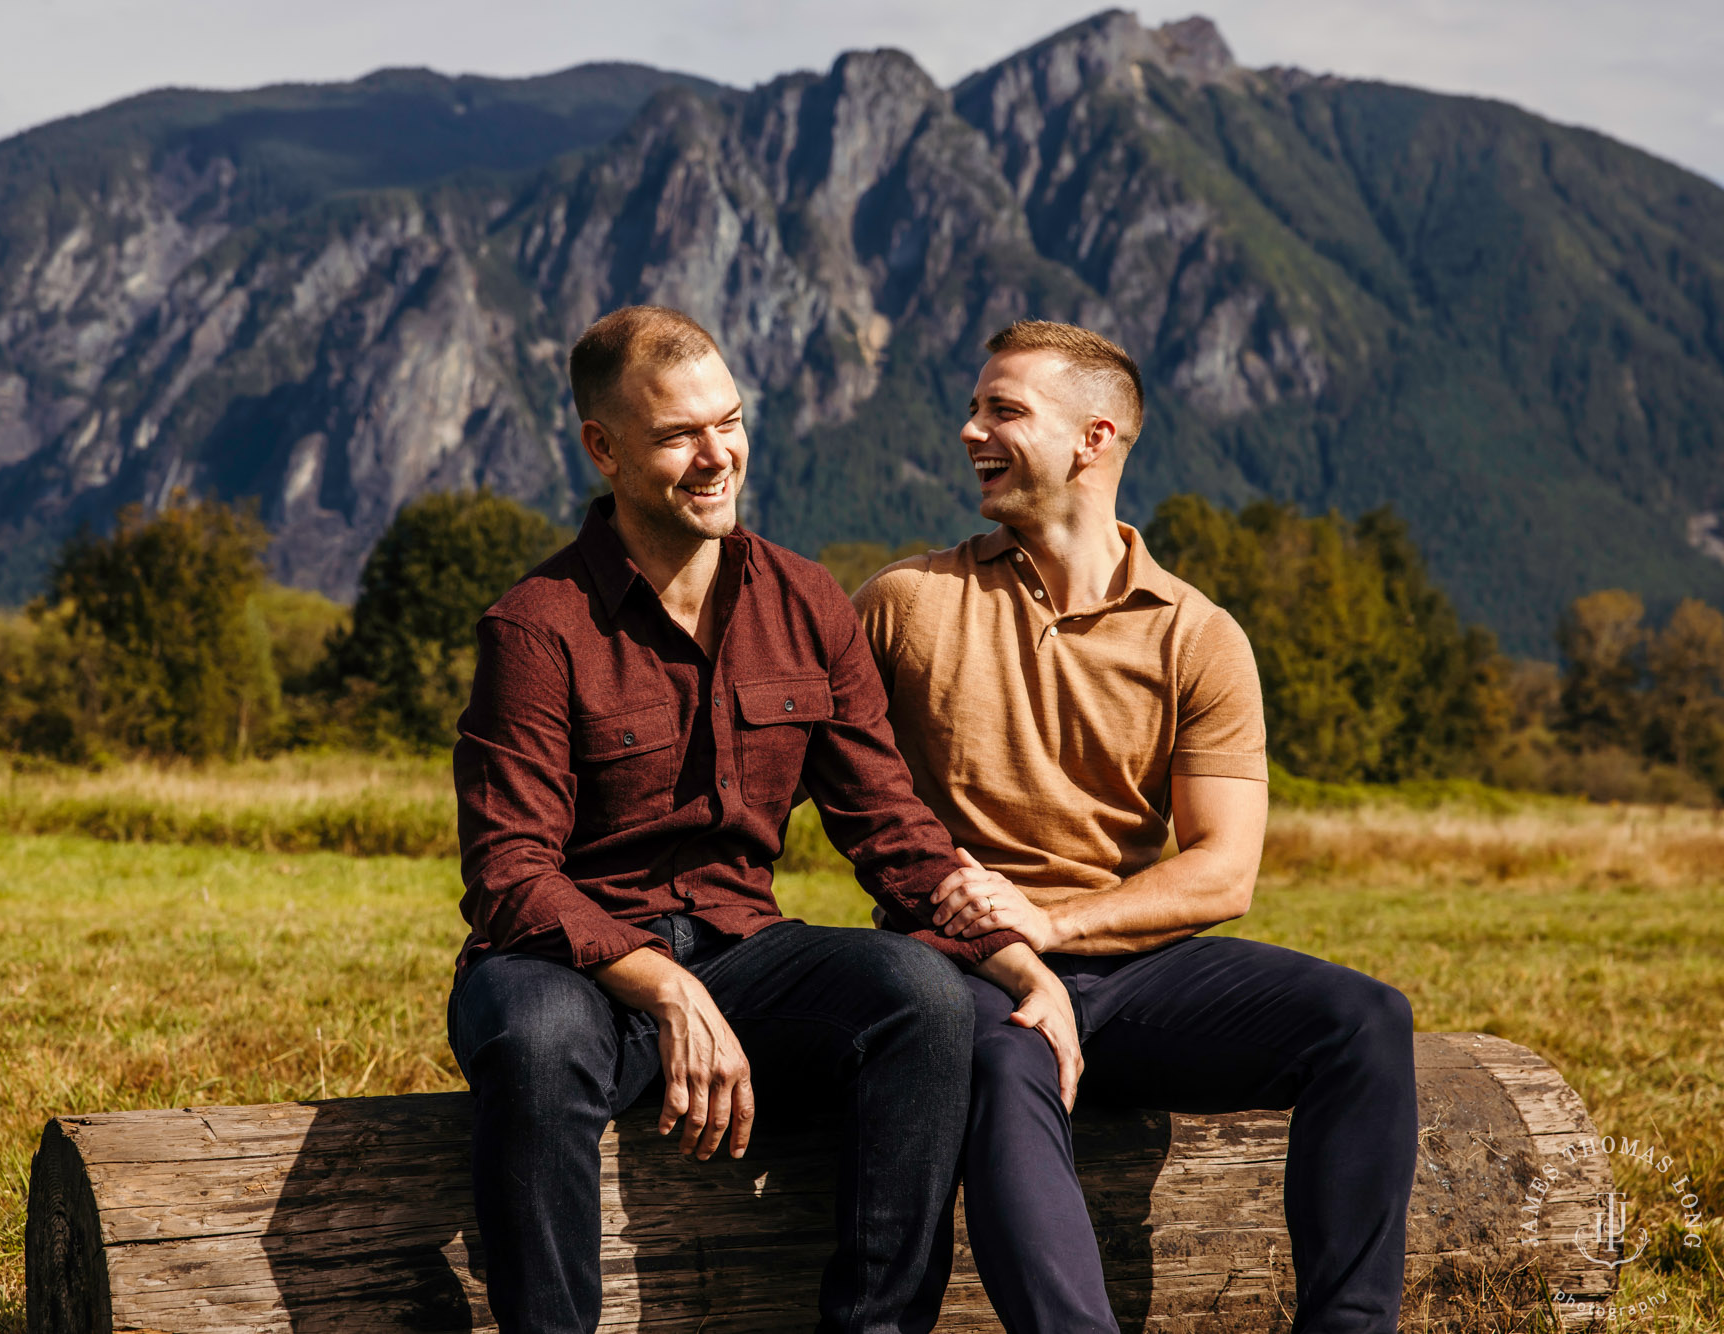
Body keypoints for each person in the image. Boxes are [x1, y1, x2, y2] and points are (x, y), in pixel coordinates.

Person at [448, 305, 1076, 1334]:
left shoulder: (806, 600)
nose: (715, 455)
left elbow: (887, 823)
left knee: (922, 993)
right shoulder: (536, 625)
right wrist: (665, 990)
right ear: (601, 448)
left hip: (743, 952)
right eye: (677, 434)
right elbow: (510, 873)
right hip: (568, 963)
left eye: (728, 421)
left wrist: (1015, 958)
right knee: (535, 1034)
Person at [853, 320, 1420, 1334]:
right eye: (975, 406)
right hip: (963, 966)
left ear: (1092, 436)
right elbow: (817, 768)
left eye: (1001, 410)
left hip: (1129, 966)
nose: (967, 428)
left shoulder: (1196, 635)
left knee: (1364, 1018)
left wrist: (1055, 925)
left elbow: (1221, 871)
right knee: (1002, 1052)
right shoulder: (907, 602)